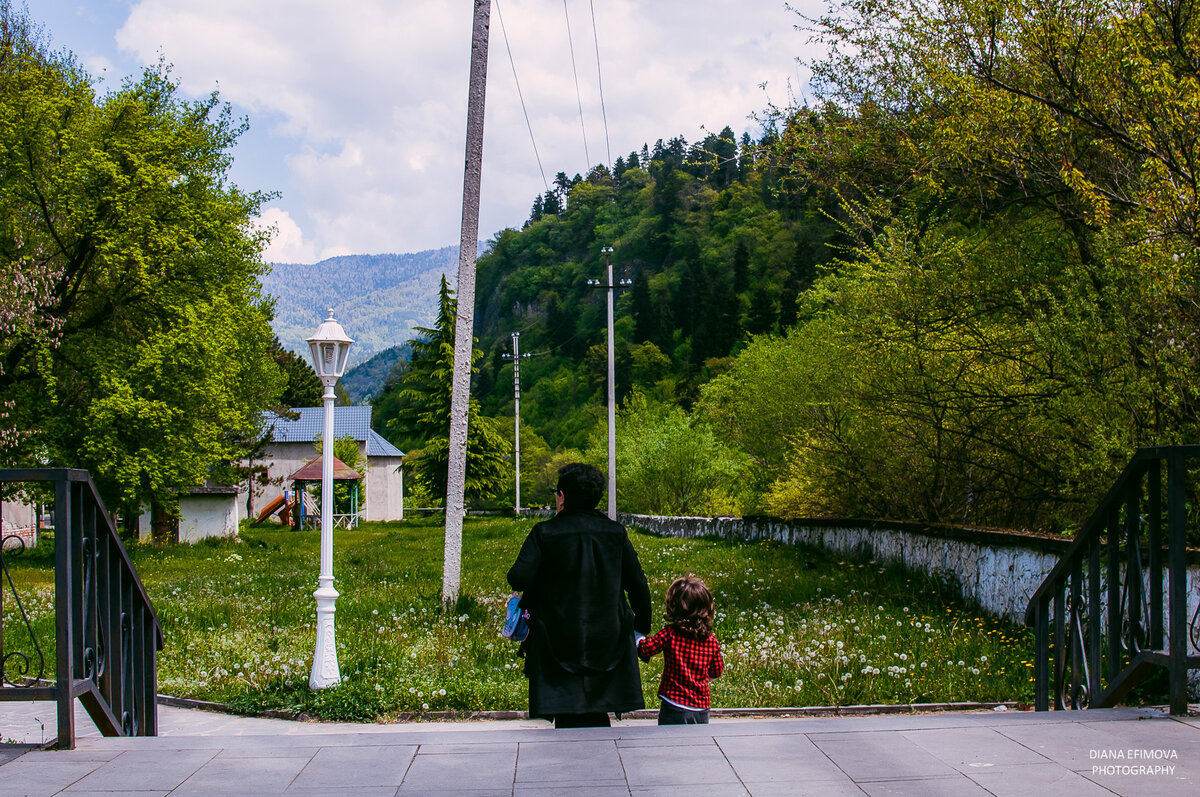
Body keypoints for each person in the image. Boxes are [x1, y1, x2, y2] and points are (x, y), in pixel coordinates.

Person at [507, 463, 651, 728]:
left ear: (562, 496)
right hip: (610, 638)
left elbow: (518, 577)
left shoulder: (545, 533)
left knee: (567, 717)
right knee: (599, 715)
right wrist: (640, 630)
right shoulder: (615, 533)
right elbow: (638, 585)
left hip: (556, 639)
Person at [637, 575, 724, 725]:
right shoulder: (711, 640)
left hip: (674, 704)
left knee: (670, 742)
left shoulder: (669, 634)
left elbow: (646, 649)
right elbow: (716, 672)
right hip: (701, 707)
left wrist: (637, 636)